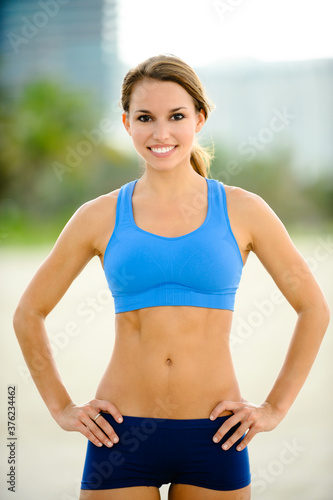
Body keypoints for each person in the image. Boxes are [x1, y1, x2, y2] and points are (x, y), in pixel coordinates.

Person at [13, 54, 330, 500]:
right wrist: (62, 407)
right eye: (145, 118)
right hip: (120, 433)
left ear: (199, 119)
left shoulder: (244, 210)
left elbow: (313, 308)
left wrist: (274, 408)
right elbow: (29, 312)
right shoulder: (98, 216)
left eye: (176, 116)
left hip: (216, 434)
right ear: (126, 123)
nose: (161, 133)